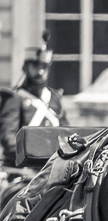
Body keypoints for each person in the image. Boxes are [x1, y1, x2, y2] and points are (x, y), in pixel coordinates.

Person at [0, 32, 68, 171]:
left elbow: (67, 133)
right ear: (25, 68)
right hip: (22, 170)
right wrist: (31, 155)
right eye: (35, 66)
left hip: (53, 168)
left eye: (44, 67)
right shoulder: (15, 97)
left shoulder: (54, 98)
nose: (40, 71)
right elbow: (9, 138)